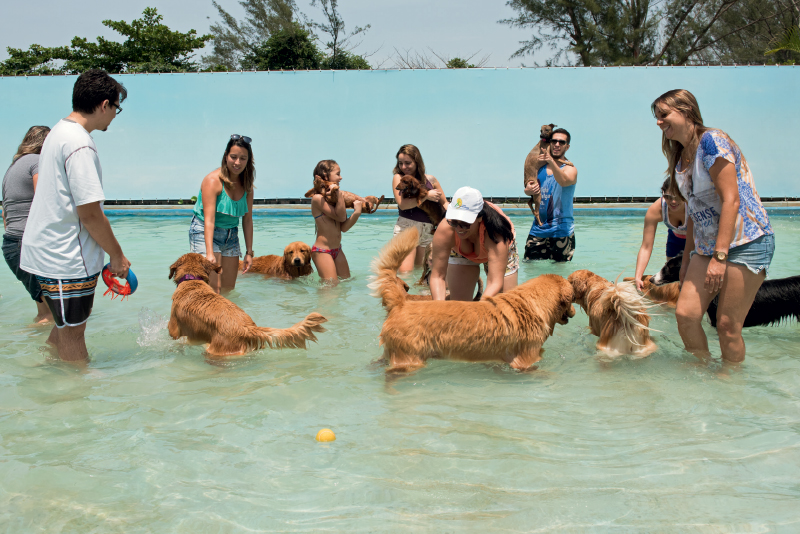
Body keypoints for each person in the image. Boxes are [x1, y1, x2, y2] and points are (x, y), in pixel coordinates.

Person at [652, 88, 774, 363]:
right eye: (656, 117)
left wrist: (720, 257)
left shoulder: (712, 141)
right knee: (686, 316)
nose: (658, 122)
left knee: (727, 326)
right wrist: (686, 261)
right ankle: (703, 375)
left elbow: (730, 199)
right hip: (707, 248)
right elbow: (695, 211)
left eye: (663, 115)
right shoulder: (680, 156)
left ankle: (730, 384)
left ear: (685, 111)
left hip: (746, 242)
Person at [20, 69, 130, 363]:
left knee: (62, 329)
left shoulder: (58, 131)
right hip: (65, 258)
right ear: (104, 104)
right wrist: (117, 255)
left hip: (46, 253)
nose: (115, 116)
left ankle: (49, 380)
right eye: (116, 108)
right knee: (73, 335)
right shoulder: (79, 143)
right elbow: (90, 213)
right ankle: (76, 398)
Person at [190, 135, 255, 294]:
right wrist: (209, 253)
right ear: (226, 156)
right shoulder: (212, 181)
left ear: (248, 161)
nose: (237, 162)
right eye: (233, 157)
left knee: (228, 289)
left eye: (243, 158)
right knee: (213, 289)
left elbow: (247, 220)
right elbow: (209, 221)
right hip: (205, 232)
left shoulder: (247, 186)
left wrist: (249, 252)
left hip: (231, 235)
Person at [2, 126, 54, 324]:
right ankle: (48, 354)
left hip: (12, 245)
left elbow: (5, 214)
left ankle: (27, 346)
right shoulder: (37, 162)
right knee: (52, 315)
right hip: (27, 245)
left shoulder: (12, 168)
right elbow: (45, 200)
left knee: (44, 313)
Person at [430, 187, 519, 301]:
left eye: (465, 223)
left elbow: (495, 282)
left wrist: (478, 310)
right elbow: (437, 276)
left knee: (506, 303)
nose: (459, 228)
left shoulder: (496, 234)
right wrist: (438, 309)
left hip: (499, 247)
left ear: (479, 217)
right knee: (458, 304)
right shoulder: (445, 228)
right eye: (454, 221)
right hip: (460, 250)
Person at [523, 128, 578, 262]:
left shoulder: (570, 169)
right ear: (549, 143)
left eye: (561, 142)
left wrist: (551, 161)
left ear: (567, 146)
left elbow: (563, 181)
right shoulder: (540, 168)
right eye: (554, 141)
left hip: (561, 231)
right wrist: (528, 190)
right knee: (531, 272)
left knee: (561, 277)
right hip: (538, 230)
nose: (557, 144)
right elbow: (528, 186)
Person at [391, 144, 448, 272]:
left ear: (417, 162)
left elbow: (445, 204)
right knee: (405, 272)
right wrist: (427, 195)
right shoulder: (399, 178)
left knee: (422, 273)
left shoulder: (431, 180)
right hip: (407, 228)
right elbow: (403, 204)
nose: (403, 167)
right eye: (400, 163)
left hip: (428, 229)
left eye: (408, 163)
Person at [309, 159, 362, 284]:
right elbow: (341, 217)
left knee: (347, 283)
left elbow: (343, 227)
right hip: (322, 251)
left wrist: (356, 213)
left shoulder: (334, 199)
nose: (341, 177)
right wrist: (338, 195)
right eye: (337, 174)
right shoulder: (317, 199)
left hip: (337, 250)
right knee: (331, 289)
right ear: (325, 175)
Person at [633, 178, 688, 291]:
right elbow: (646, 247)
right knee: (674, 285)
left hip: (697, 241)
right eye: (668, 196)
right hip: (675, 240)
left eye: (677, 196)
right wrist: (638, 277)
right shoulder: (656, 210)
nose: (673, 201)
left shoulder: (694, 206)